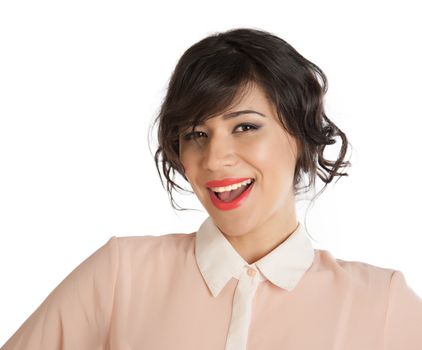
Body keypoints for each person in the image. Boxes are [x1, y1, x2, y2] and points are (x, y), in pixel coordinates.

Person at [2, 27, 422, 350]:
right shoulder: (121, 275)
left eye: (245, 126)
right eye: (196, 134)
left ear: (299, 132)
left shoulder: (381, 304)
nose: (214, 159)